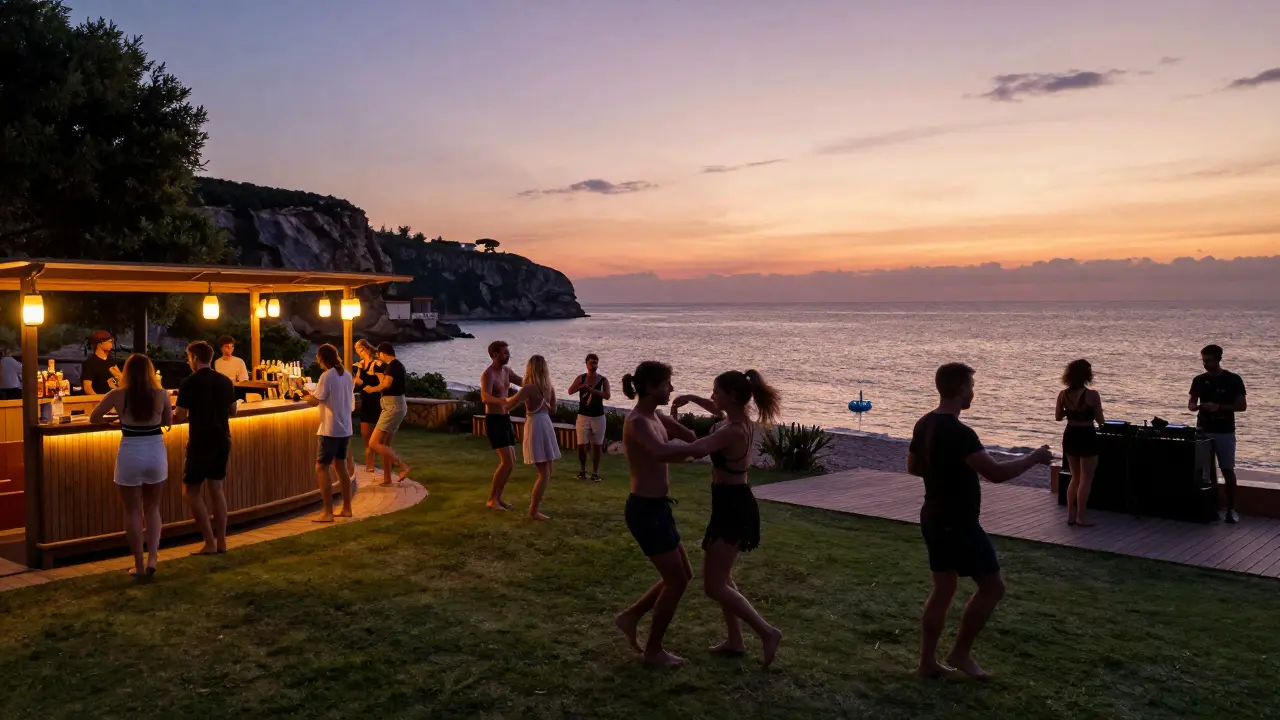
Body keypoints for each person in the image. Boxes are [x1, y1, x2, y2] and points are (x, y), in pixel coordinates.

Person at [908, 362, 1052, 681]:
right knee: (992, 587)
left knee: (943, 589)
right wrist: (1034, 458)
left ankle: (927, 663)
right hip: (957, 521)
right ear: (961, 389)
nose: (973, 393)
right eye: (971, 387)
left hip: (932, 514)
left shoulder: (925, 423)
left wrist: (945, 473)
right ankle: (959, 654)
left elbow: (913, 467)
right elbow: (995, 473)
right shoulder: (960, 433)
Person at [668, 370, 784, 667]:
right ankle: (735, 640)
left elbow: (696, 450)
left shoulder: (732, 430)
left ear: (731, 395)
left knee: (714, 586)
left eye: (716, 391)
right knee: (724, 577)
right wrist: (690, 398)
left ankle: (767, 632)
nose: (712, 396)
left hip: (733, 506)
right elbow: (715, 408)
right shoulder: (739, 418)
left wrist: (653, 446)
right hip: (729, 502)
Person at [612, 360, 700, 667]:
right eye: (666, 384)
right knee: (676, 581)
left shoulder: (657, 417)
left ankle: (631, 616)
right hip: (645, 511)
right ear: (650, 387)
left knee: (683, 575)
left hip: (659, 508)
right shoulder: (637, 422)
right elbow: (660, 452)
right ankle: (653, 651)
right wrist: (695, 451)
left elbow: (690, 437)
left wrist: (716, 436)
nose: (671, 388)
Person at [91, 353, 173, 579]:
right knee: (153, 509)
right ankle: (153, 558)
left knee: (132, 511)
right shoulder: (161, 394)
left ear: (126, 372)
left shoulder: (117, 394)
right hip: (155, 452)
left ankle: (138, 564)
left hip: (130, 453)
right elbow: (168, 422)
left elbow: (94, 417)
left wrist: (114, 421)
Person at [175, 340, 238, 555]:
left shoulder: (189, 382)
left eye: (188, 357)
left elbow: (180, 415)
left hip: (201, 441)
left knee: (190, 491)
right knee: (216, 490)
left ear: (194, 358)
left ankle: (209, 542)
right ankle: (222, 542)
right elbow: (233, 410)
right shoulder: (224, 381)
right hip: (222, 439)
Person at [1189, 344, 1248, 524]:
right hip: (1203, 431)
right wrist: (1198, 407)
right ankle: (1209, 507)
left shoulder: (1233, 380)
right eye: (1203, 360)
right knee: (1204, 472)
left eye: (1209, 360)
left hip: (1225, 431)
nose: (1205, 364)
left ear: (1218, 360)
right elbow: (1191, 404)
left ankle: (1231, 508)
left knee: (1227, 469)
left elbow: (1242, 406)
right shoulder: (1199, 380)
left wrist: (1218, 407)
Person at [301, 344, 355, 522]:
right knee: (341, 466)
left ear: (321, 358)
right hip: (345, 427)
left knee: (321, 467)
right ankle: (347, 508)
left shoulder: (327, 375)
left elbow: (316, 401)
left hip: (330, 429)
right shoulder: (346, 374)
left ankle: (328, 512)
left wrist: (304, 396)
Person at [504, 355, 560, 520]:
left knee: (544, 473)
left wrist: (501, 397)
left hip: (535, 425)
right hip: (546, 423)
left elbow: (509, 405)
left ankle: (533, 510)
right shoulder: (549, 387)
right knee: (546, 471)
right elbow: (553, 410)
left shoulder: (528, 388)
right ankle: (534, 509)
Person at [1055, 359, 1105, 527]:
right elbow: (1100, 420)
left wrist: (1069, 411)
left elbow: (1058, 417)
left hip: (1070, 434)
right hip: (1087, 435)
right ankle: (1081, 517)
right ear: (1086, 375)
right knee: (1086, 479)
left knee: (1074, 477)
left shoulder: (1063, 395)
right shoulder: (1092, 395)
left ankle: (1070, 514)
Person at [480, 340, 522, 510]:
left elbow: (523, 381)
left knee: (511, 463)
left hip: (505, 419)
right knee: (506, 462)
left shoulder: (507, 371)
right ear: (495, 355)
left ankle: (498, 498)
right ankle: (492, 499)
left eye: (508, 352)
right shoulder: (488, 374)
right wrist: (502, 401)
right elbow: (485, 397)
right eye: (505, 353)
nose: (508, 356)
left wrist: (538, 381)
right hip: (494, 420)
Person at [363, 342, 412, 487]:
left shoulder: (393, 366)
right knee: (385, 445)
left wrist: (372, 389)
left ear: (383, 353)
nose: (378, 356)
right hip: (395, 406)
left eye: (379, 354)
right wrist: (378, 374)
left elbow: (386, 385)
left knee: (373, 443)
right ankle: (387, 479)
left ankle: (402, 466)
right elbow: (385, 382)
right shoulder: (395, 366)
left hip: (392, 407)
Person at [568, 353, 610, 482]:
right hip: (583, 416)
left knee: (597, 445)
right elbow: (570, 391)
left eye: (596, 362)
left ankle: (595, 472)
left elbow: (607, 395)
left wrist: (594, 391)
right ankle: (582, 471)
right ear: (586, 364)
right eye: (591, 362)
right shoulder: (581, 378)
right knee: (581, 444)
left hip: (598, 416)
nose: (594, 365)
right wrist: (581, 386)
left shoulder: (603, 380)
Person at [351, 339, 383, 475]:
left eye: (359, 349)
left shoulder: (376, 364)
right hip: (365, 402)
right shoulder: (360, 365)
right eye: (356, 350)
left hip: (376, 402)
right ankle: (369, 465)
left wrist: (368, 385)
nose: (358, 352)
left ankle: (388, 462)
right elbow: (358, 383)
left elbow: (382, 383)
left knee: (377, 439)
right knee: (366, 436)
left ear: (366, 348)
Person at [81, 330, 121, 395]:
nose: (111, 344)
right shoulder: (89, 363)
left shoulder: (110, 360)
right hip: (99, 399)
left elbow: (120, 379)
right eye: (109, 342)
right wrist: (99, 399)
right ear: (101, 344)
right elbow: (88, 388)